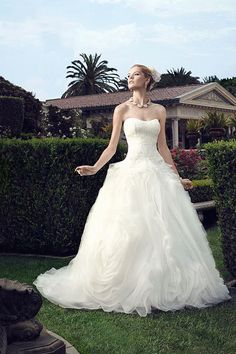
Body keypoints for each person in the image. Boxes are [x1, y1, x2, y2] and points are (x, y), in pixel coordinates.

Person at [33, 64, 232, 317]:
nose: (129, 78)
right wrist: (95, 168)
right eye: (128, 75)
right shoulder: (122, 109)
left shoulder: (160, 110)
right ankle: (126, 283)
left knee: (164, 231)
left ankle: (163, 283)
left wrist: (178, 177)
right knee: (128, 231)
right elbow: (112, 146)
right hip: (130, 173)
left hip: (156, 173)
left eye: (134, 74)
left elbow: (163, 148)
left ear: (147, 79)